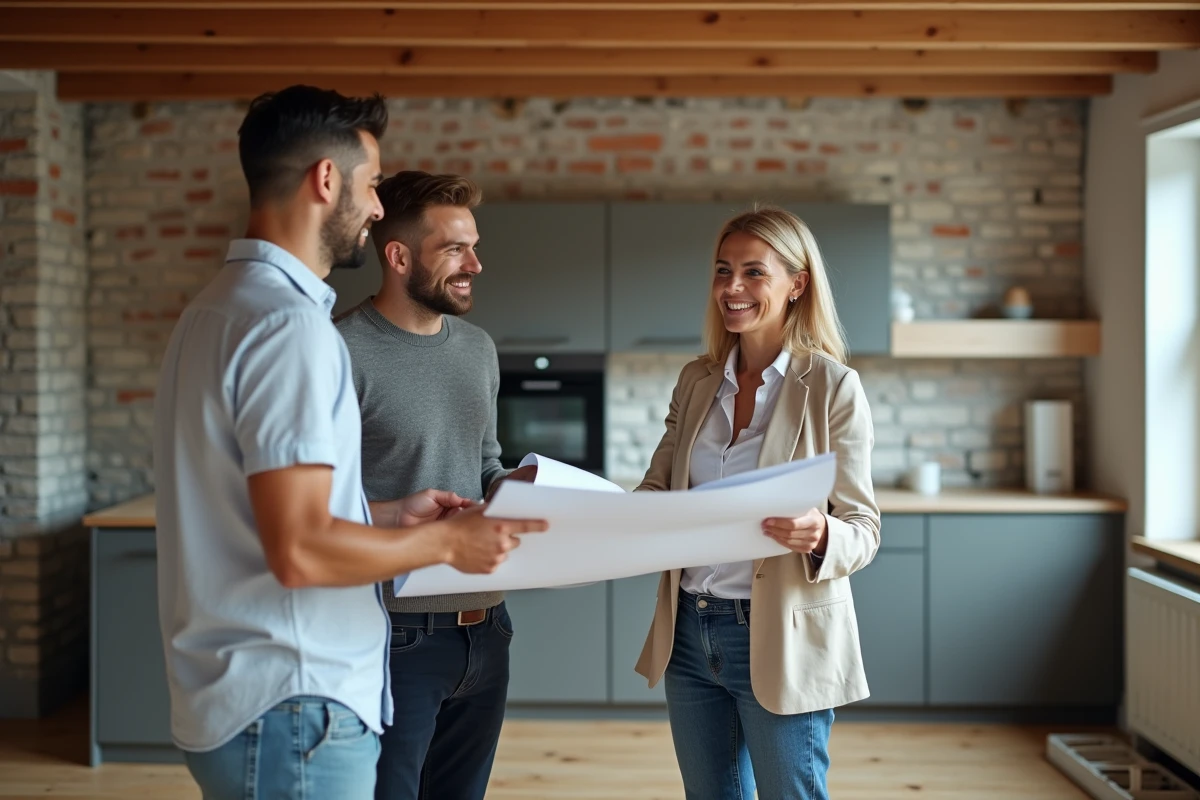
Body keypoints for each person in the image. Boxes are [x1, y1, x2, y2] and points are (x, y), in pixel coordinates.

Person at [152, 87, 546, 800]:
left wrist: (395, 515)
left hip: (244, 694)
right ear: (325, 182)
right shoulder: (293, 330)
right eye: (369, 186)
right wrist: (449, 545)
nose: (373, 205)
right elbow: (300, 548)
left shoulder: (218, 308)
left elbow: (272, 519)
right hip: (296, 699)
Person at [632, 206, 880, 799]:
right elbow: (656, 494)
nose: (732, 288)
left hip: (781, 635)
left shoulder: (831, 387)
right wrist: (585, 509)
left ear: (797, 283)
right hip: (689, 631)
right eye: (723, 271)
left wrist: (820, 533)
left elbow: (863, 528)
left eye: (753, 272)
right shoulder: (697, 381)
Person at [335, 171, 535, 800]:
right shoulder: (338, 351)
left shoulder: (477, 348)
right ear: (397, 257)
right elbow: (319, 506)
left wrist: (524, 488)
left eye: (472, 245)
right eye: (454, 248)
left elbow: (484, 463)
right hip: (392, 631)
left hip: (486, 625)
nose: (475, 263)